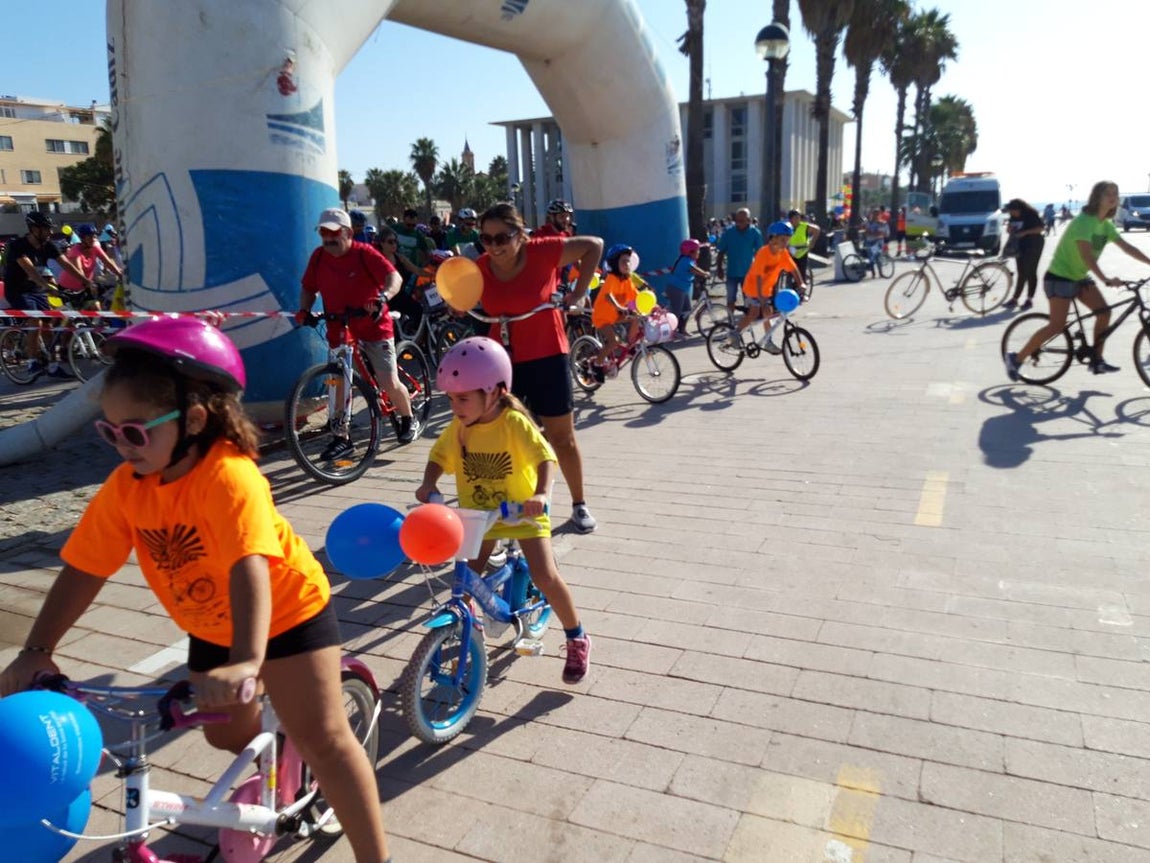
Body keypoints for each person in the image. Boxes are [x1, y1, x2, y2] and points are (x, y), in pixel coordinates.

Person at [0, 316, 393, 863]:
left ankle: (376, 855)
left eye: (134, 432)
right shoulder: (127, 488)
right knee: (226, 736)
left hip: (285, 616)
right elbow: (84, 568)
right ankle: (280, 753)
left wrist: (245, 662)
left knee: (326, 741)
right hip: (211, 626)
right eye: (109, 431)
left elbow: (249, 566)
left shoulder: (229, 477)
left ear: (194, 420)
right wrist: (37, 650)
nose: (121, 447)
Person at [416, 336, 592, 683]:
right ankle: (466, 630)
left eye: (463, 398)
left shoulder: (513, 424)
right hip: (479, 516)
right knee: (464, 582)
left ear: (494, 392)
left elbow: (545, 457)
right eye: (451, 398)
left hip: (520, 512)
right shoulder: (460, 428)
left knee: (545, 575)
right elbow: (438, 456)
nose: (455, 406)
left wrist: (541, 495)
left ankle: (577, 637)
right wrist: (428, 483)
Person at [474, 202, 603, 534]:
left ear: (520, 234)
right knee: (505, 439)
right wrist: (456, 302)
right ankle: (506, 509)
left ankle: (578, 505)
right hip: (501, 362)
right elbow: (457, 293)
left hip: (547, 353)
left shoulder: (543, 252)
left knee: (562, 438)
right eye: (486, 239)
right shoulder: (480, 267)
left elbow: (594, 246)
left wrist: (577, 293)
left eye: (502, 237)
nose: (495, 246)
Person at [297, 207, 420, 450]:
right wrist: (305, 310)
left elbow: (394, 278)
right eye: (323, 232)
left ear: (348, 233)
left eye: (334, 233)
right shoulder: (319, 257)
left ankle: (409, 418)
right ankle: (341, 438)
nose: (328, 238)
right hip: (339, 327)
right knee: (338, 384)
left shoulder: (364, 254)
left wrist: (383, 297)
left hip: (374, 326)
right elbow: (308, 288)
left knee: (387, 380)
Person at [1006, 181, 1150, 380]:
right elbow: (1086, 256)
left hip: (1079, 277)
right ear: (1097, 197)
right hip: (1059, 278)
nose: (1113, 197)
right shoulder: (1085, 221)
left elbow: (1126, 247)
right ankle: (1016, 359)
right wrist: (1105, 279)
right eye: (1108, 193)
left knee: (1104, 313)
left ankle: (1097, 361)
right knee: (1056, 325)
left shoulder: (1105, 225)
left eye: (1115, 193)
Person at [3, 211, 96, 378]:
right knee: (35, 319)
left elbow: (67, 265)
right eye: (46, 229)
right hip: (17, 291)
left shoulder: (49, 246)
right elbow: (29, 269)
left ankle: (53, 366)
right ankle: (32, 362)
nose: (50, 232)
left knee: (49, 325)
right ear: (34, 229)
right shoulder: (18, 246)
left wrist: (86, 281)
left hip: (36, 290)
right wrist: (46, 285)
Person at [727, 220, 805, 353]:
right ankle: (735, 333)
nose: (786, 243)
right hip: (753, 288)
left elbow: (793, 269)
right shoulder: (763, 253)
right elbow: (758, 276)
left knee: (768, 313)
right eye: (782, 239)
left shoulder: (783, 253)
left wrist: (801, 283)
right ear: (773, 238)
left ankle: (767, 341)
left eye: (787, 239)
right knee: (754, 313)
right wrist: (760, 297)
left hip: (766, 289)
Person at [589, 243, 643, 378]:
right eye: (623, 261)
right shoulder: (612, 279)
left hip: (615, 315)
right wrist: (620, 308)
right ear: (614, 264)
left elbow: (637, 297)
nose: (627, 264)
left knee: (636, 317)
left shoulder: (627, 280)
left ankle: (630, 347)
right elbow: (609, 296)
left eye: (628, 261)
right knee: (614, 342)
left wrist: (655, 307)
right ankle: (596, 364)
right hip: (602, 317)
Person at [715, 208, 764, 318]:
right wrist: (719, 268)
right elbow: (721, 251)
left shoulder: (755, 233)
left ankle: (748, 319)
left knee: (749, 299)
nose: (738, 223)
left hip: (748, 273)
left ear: (749, 220)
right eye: (737, 220)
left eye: (742, 221)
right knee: (730, 299)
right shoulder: (729, 233)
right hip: (732, 272)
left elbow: (759, 253)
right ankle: (730, 320)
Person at [57, 223, 123, 301]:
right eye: (90, 236)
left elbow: (107, 262)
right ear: (82, 238)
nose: (93, 239)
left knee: (97, 307)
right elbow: (79, 271)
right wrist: (89, 284)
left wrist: (119, 274)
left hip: (85, 285)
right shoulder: (75, 251)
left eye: (94, 236)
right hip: (68, 288)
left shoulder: (95, 247)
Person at [1002, 199, 1046, 311]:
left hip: (1034, 244)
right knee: (1021, 271)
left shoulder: (1031, 215)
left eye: (1013, 211)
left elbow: (1040, 228)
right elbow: (1012, 228)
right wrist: (1009, 229)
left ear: (1019, 209)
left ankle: (1029, 299)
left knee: (1030, 271)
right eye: (1010, 212)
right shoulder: (1013, 217)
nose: (1011, 214)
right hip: (1020, 245)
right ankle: (1015, 299)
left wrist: (1025, 232)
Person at [666, 238, 708, 337]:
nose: (699, 252)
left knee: (687, 310)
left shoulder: (689, 260)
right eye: (697, 250)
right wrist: (705, 273)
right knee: (677, 311)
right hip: (676, 288)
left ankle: (682, 329)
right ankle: (672, 331)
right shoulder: (686, 260)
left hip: (682, 288)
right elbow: (694, 269)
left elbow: (690, 273)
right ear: (690, 252)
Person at [786, 209, 821, 287]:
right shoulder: (787, 227)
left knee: (801, 272)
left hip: (802, 251)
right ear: (790, 219)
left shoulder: (804, 226)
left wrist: (812, 242)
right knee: (789, 271)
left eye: (798, 217)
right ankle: (789, 286)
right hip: (791, 251)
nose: (798, 220)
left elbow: (817, 230)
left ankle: (802, 291)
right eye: (795, 218)